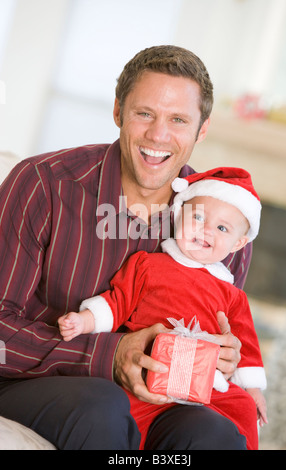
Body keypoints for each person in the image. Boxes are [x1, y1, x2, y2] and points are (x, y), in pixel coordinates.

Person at [0, 45, 250, 450]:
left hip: (159, 400)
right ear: (118, 111)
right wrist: (109, 355)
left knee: (214, 434)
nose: (158, 135)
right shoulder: (42, 185)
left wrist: (225, 358)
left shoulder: (222, 225)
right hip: (35, 384)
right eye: (144, 113)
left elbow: (223, 337)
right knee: (102, 404)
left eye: (179, 120)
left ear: (202, 130)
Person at [58, 167, 267, 450]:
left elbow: (246, 347)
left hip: (204, 383)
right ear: (179, 216)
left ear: (238, 243)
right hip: (148, 369)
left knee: (241, 406)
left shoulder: (232, 295)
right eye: (198, 217)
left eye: (222, 228)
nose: (206, 229)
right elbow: (117, 301)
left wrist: (253, 389)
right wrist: (84, 321)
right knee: (117, 410)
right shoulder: (149, 265)